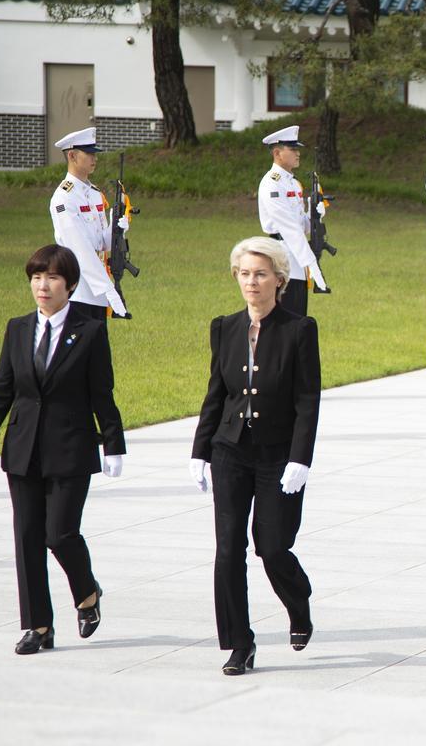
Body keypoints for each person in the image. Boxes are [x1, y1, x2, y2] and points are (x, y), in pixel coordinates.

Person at [0, 243, 125, 655]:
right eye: (37, 277)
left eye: (52, 278)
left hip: (71, 447)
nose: (43, 285)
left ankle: (87, 591)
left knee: (60, 534)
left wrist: (113, 444)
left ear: (70, 285)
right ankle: (37, 626)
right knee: (26, 538)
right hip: (23, 448)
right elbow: (3, 387)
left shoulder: (90, 331)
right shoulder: (17, 328)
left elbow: (102, 393)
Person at [189, 236, 321, 676]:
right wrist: (200, 450)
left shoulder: (300, 329)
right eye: (244, 273)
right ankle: (239, 643)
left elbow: (307, 400)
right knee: (228, 548)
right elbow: (216, 394)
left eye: (261, 274)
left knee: (273, 546)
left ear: (279, 281)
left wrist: (300, 458)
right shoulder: (223, 326)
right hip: (230, 451)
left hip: (278, 455)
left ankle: (297, 602)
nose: (252, 281)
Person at [49, 127, 129, 322]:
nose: (95, 158)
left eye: (95, 153)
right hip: (77, 290)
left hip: (98, 289)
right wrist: (107, 288)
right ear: (72, 156)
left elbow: (102, 243)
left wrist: (117, 225)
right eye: (89, 153)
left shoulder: (94, 194)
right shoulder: (63, 198)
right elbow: (79, 248)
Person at [257, 125, 329, 317]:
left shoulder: (293, 182)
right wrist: (312, 264)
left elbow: (301, 226)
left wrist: (315, 214)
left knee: (298, 317)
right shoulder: (272, 183)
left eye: (297, 149)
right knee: (286, 319)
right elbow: (288, 228)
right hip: (282, 255)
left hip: (296, 255)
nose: (298, 153)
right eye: (293, 149)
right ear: (277, 153)